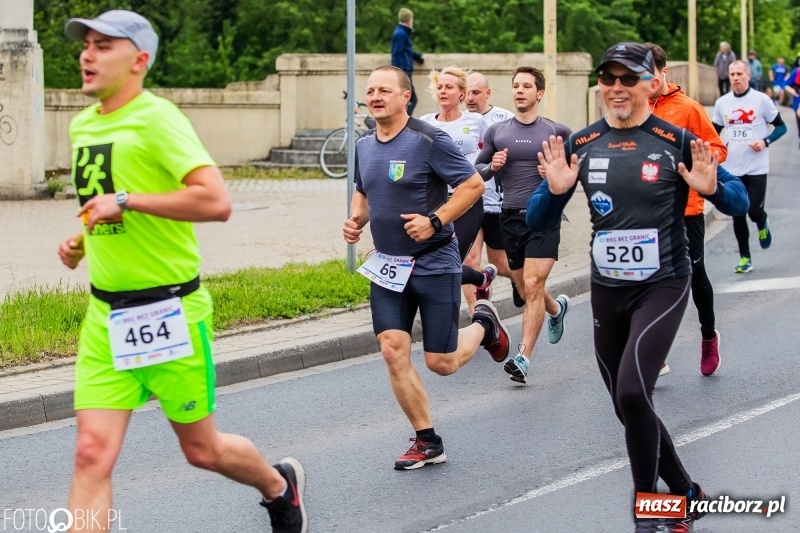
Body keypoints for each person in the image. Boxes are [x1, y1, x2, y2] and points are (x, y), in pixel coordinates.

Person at [57, 10, 307, 533]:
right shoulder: (83, 124)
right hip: (105, 317)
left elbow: (215, 201)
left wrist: (126, 201)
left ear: (139, 61)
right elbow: (102, 200)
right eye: (86, 45)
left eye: (104, 46)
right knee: (90, 454)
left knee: (202, 449)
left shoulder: (157, 118)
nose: (87, 54)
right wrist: (82, 239)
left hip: (168, 311)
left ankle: (278, 486)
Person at [529, 42, 748, 532]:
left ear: (652, 82)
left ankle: (649, 513)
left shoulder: (676, 139)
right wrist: (556, 191)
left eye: (629, 78)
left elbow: (735, 197)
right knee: (630, 403)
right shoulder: (581, 144)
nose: (618, 88)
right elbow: (538, 216)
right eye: (609, 78)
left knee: (632, 392)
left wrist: (712, 188)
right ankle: (686, 493)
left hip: (663, 285)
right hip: (607, 290)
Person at [343, 65, 510, 470]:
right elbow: (363, 193)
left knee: (442, 363)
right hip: (387, 267)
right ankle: (427, 440)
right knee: (391, 349)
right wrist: (355, 221)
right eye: (370, 90)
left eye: (385, 89)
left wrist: (435, 220)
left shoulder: (429, 139)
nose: (376, 96)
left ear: (406, 97)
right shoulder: (364, 146)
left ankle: (485, 325)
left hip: (433, 262)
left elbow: (472, 185)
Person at [474, 66, 572, 385]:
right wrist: (492, 166)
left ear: (539, 93)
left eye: (526, 86)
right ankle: (556, 310)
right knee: (523, 285)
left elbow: (574, 173)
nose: (519, 91)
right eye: (516, 86)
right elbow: (478, 170)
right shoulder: (497, 132)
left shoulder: (558, 132)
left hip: (544, 216)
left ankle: (523, 357)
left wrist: (555, 176)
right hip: (510, 217)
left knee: (531, 286)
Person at [644, 42, 732, 377]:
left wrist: (695, 164)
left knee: (694, 276)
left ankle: (709, 336)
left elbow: (718, 149)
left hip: (687, 207)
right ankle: (655, 350)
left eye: (649, 73)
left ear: (664, 72)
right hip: (649, 208)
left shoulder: (688, 108)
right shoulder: (634, 108)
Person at [419, 66, 497, 314]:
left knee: (454, 261)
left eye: (449, 87)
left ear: (461, 94)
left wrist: (491, 172)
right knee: (439, 263)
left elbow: (486, 155)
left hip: (468, 201)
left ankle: (476, 316)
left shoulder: (475, 121)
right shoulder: (425, 124)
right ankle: (480, 280)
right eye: (440, 87)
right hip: (436, 203)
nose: (443, 91)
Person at [713, 60, 787, 274]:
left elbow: (781, 127)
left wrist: (765, 141)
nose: (735, 78)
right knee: (738, 213)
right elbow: (713, 131)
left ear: (748, 76)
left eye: (739, 74)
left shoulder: (762, 100)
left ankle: (762, 221)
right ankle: (745, 258)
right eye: (732, 74)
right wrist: (713, 150)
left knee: (753, 210)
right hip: (732, 168)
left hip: (756, 167)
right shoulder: (722, 103)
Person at [464, 72, 521, 308]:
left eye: (475, 92)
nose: (469, 98)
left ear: (488, 93)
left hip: (497, 203)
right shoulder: (459, 121)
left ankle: (520, 281)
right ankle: (478, 317)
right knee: (469, 260)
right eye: (466, 92)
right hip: (469, 201)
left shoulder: (504, 119)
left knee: (500, 263)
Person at [391, 8, 424, 116]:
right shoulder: (401, 34)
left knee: (408, 99)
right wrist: (400, 73)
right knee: (411, 99)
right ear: (409, 20)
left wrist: (417, 57)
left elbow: (406, 51)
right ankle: (404, 122)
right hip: (404, 71)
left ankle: (403, 121)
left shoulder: (402, 33)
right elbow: (397, 53)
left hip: (405, 70)